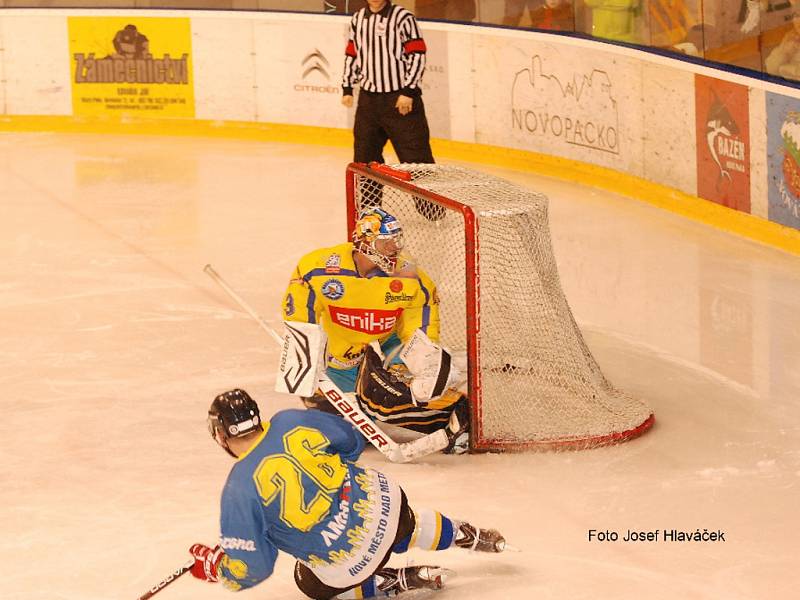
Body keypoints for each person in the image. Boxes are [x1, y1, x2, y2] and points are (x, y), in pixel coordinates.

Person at [188, 389, 507, 598]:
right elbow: (352, 442)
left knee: (307, 580)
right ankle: (468, 534)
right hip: (389, 504)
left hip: (348, 560)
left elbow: (252, 567)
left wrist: (220, 566)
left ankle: (387, 583)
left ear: (219, 434)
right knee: (396, 518)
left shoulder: (239, 489)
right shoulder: (290, 419)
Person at [279, 206, 470, 454]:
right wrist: (304, 359)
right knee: (334, 425)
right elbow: (301, 316)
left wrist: (426, 364)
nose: (394, 248)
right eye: (385, 242)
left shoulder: (411, 279)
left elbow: (418, 331)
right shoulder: (318, 268)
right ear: (364, 242)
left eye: (396, 240)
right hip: (340, 360)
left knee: (389, 399)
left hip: (385, 351)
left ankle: (460, 413)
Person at [341, 0, 435, 166]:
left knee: (417, 160)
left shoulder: (403, 17)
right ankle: (369, 193)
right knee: (365, 159)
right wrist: (347, 87)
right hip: (368, 102)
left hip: (399, 100)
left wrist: (408, 91)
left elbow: (418, 54)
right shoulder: (358, 18)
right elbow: (352, 53)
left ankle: (421, 193)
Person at [765, 11, 800, 81]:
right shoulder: (790, 38)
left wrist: (786, 70)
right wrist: (785, 51)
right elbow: (771, 69)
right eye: (796, 16)